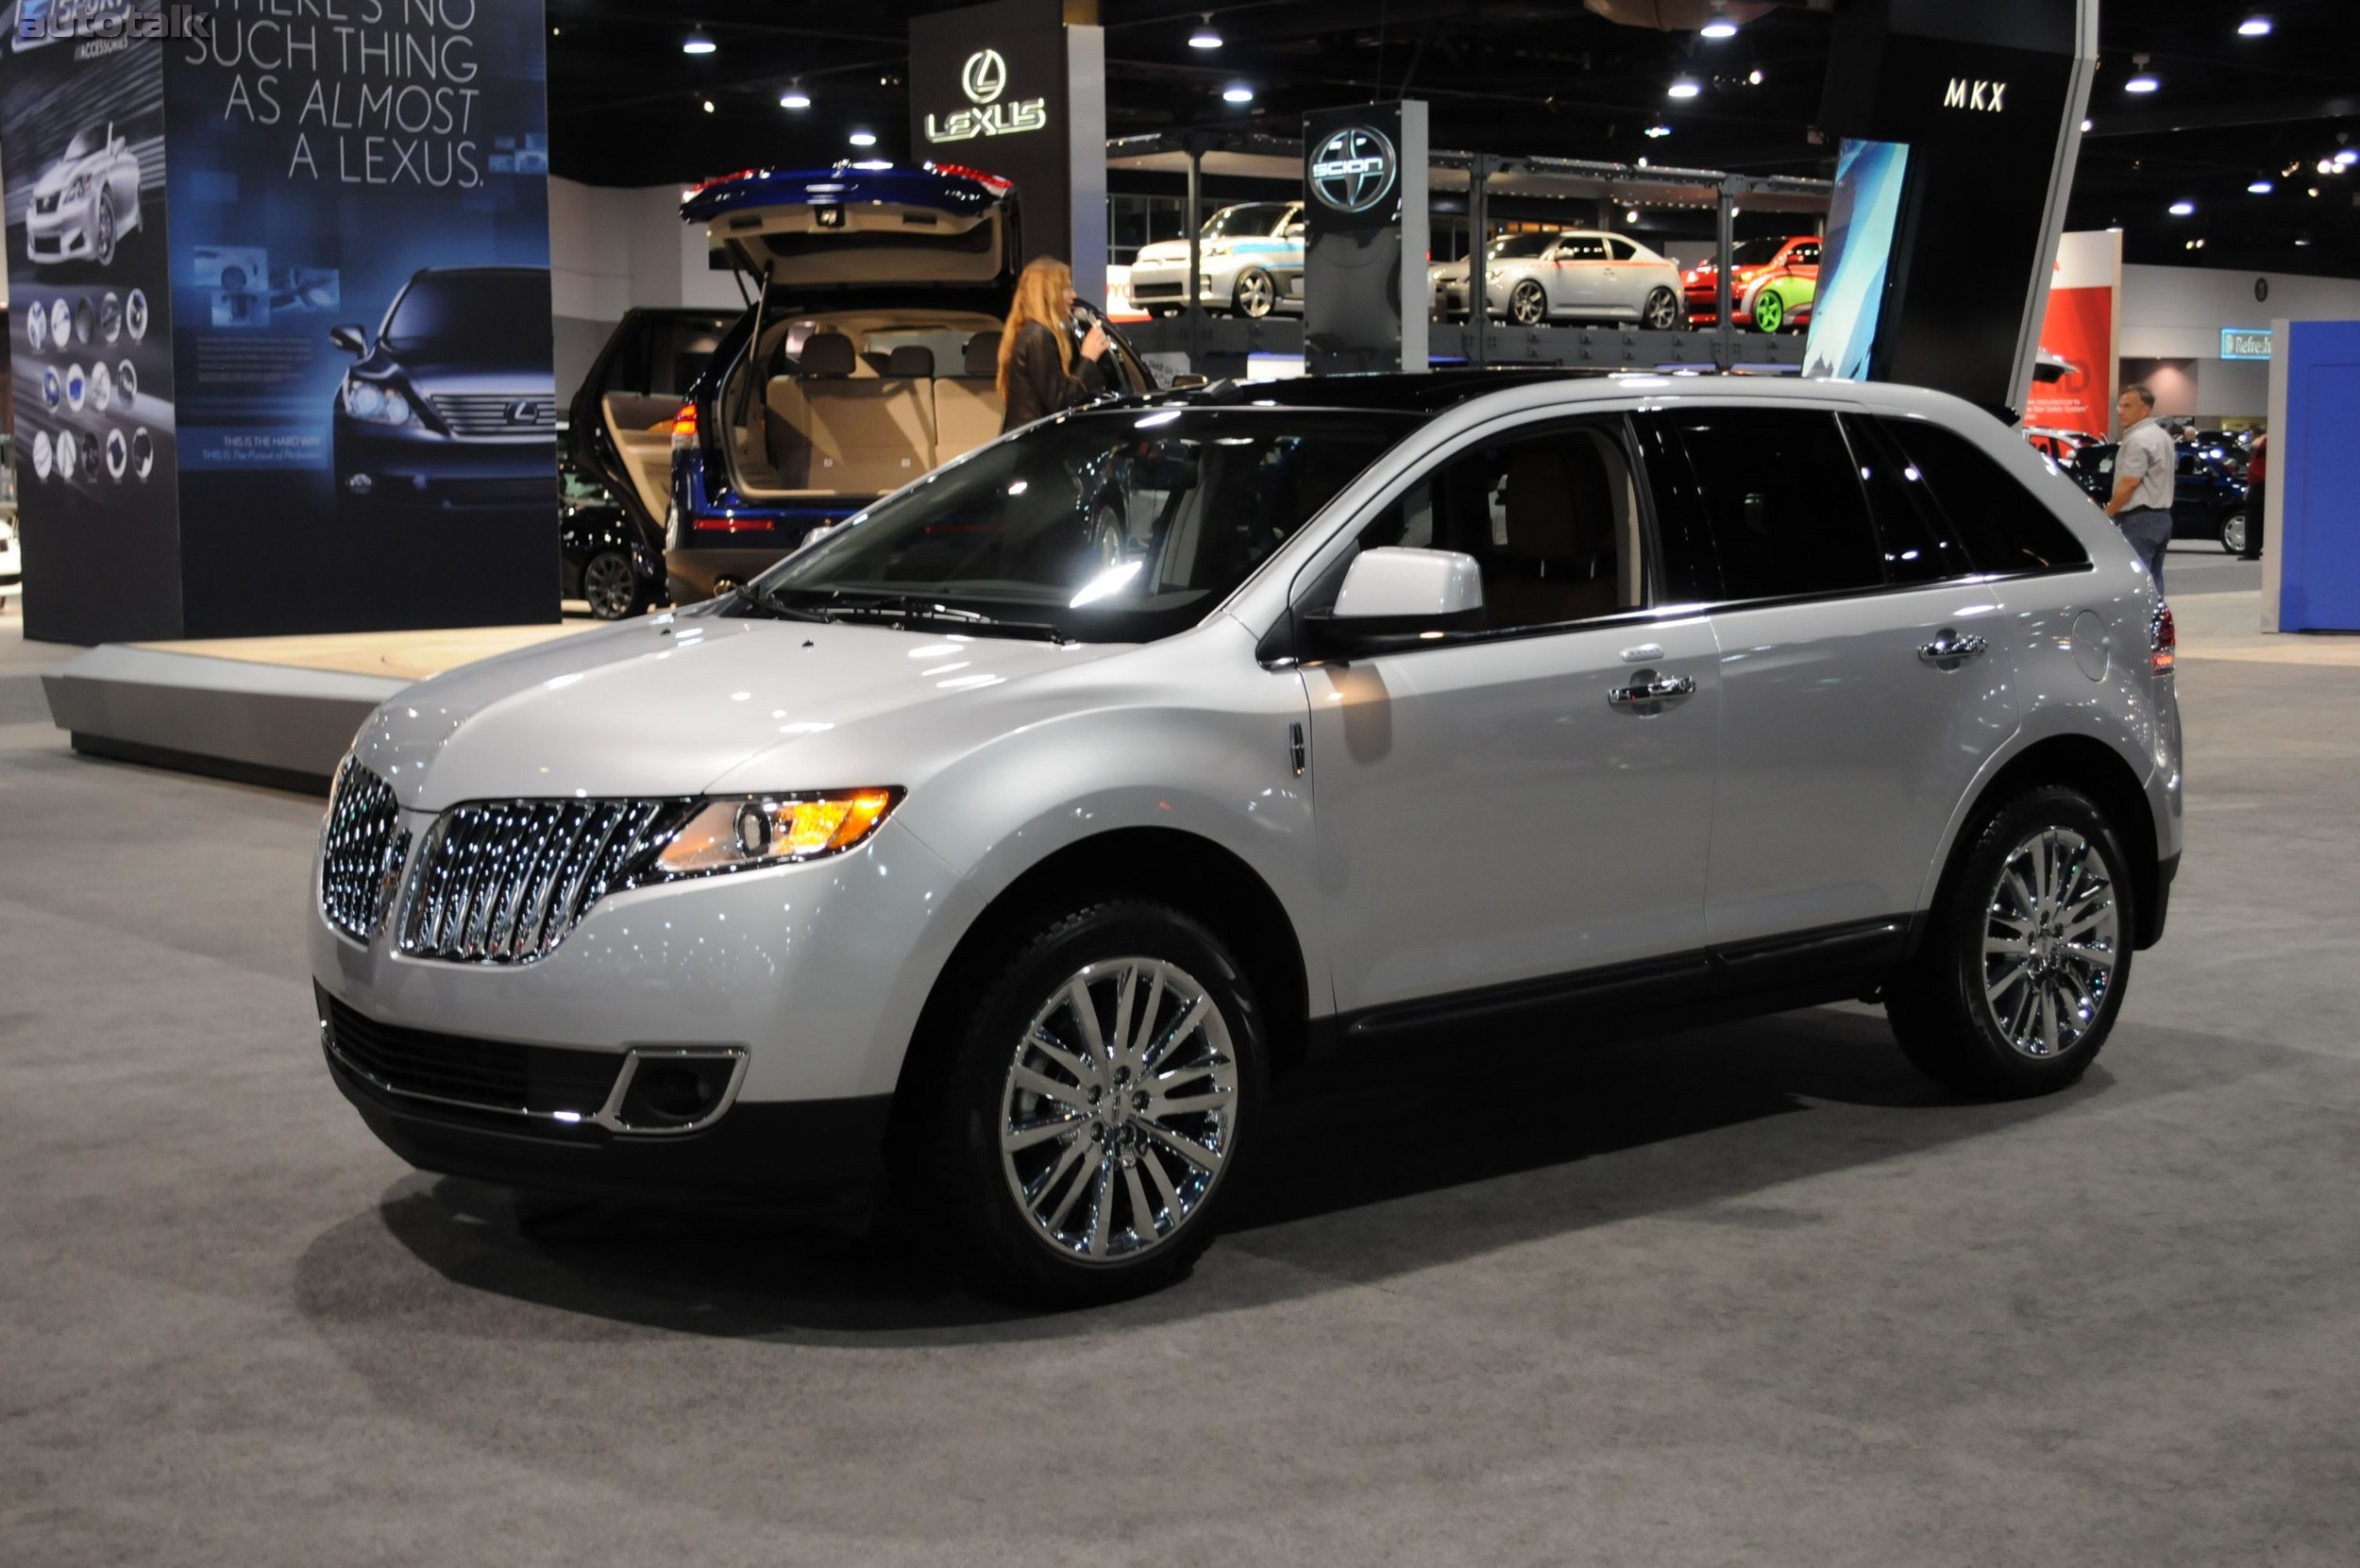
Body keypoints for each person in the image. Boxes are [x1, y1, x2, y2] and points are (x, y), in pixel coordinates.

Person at [997, 257, 1110, 433]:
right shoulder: (1037, 335)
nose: (1073, 295)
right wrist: (1088, 358)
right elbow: (1061, 406)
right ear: (1048, 294)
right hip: (1035, 447)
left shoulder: (1029, 333)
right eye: (1066, 288)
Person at [2105, 383, 2176, 595]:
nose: (2120, 411)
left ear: (2145, 409)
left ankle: (2141, 627)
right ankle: (2157, 627)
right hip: (2162, 518)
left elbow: (2130, 483)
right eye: (2120, 406)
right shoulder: (2163, 436)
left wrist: (2109, 513)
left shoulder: (2138, 440)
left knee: (2137, 584)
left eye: (2127, 406)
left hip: (2139, 520)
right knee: (2154, 582)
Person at [2239, 430, 2267, 561]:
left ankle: (2252, 550)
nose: (2250, 438)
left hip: (2261, 486)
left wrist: (2264, 436)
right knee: (2252, 520)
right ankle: (2251, 549)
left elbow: (2254, 444)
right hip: (2255, 485)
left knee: (2256, 520)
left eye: (2252, 435)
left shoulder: (2265, 443)